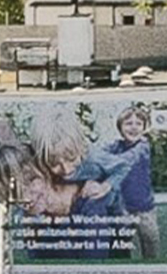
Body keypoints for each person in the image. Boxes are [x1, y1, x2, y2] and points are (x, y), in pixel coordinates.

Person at [68, 105, 160, 257]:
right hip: (121, 209)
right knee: (119, 246)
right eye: (128, 124)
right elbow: (96, 155)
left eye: (138, 124)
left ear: (144, 128)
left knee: (150, 244)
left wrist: (104, 168)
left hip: (144, 209)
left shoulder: (143, 146)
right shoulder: (115, 146)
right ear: (120, 127)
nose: (134, 128)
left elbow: (126, 160)